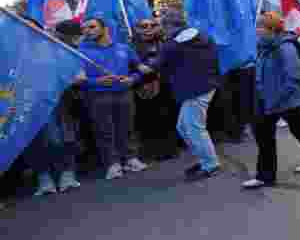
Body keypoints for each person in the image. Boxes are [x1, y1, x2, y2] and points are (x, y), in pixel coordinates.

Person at [244, 11, 300, 189]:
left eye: (261, 27)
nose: (257, 30)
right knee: (267, 134)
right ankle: (266, 176)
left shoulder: (285, 47)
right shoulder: (264, 46)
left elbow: (292, 77)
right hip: (270, 98)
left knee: (298, 127)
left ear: (271, 29)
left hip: (284, 99)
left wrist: (276, 99)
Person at [150, 9, 223, 180]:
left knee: (193, 128)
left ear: (168, 26)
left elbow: (156, 65)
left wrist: (136, 72)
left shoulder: (172, 44)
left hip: (193, 90)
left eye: (162, 26)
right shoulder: (203, 36)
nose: (161, 29)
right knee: (184, 127)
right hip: (207, 85)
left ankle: (210, 164)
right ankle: (204, 159)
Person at [78, 17, 148, 180]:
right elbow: (77, 79)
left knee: (127, 128)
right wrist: (96, 81)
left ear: (105, 28)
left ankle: (130, 159)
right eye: (85, 29)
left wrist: (132, 79)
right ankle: (112, 164)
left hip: (124, 93)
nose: (88, 31)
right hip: (97, 96)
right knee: (104, 131)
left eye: (92, 27)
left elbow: (140, 69)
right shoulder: (81, 52)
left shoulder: (124, 48)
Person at [25, 20, 86, 196]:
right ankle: (44, 178)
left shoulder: (55, 49)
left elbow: (75, 71)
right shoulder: (13, 52)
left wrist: (75, 76)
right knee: (34, 142)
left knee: (59, 138)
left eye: (31, 27)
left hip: (56, 101)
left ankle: (67, 174)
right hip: (26, 104)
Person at [132, 18, 182, 161]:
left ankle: (170, 148)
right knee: (147, 121)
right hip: (143, 89)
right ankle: (150, 150)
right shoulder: (131, 47)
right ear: (137, 29)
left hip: (166, 87)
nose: (148, 28)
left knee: (168, 118)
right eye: (144, 26)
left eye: (152, 25)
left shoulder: (166, 43)